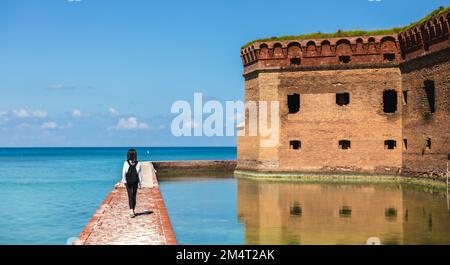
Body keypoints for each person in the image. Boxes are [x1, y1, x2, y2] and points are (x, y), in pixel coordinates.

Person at [121, 149, 141, 218]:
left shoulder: (126, 163)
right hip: (135, 181)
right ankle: (133, 210)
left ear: (128, 155)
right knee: (134, 195)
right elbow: (139, 174)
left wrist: (124, 181)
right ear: (135, 155)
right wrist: (140, 183)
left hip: (128, 181)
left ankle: (131, 210)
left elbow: (124, 173)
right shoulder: (138, 163)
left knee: (130, 195)